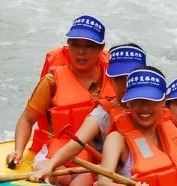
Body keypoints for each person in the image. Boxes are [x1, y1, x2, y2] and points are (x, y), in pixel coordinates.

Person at [26, 43, 146, 186]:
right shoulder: (102, 113)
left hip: (146, 176)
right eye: (118, 79)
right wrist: (50, 166)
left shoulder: (156, 108)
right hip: (119, 180)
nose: (125, 85)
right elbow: (75, 144)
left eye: (131, 78)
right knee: (81, 181)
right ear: (111, 80)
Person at [6, 15, 114, 171]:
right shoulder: (52, 81)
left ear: (101, 48)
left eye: (89, 46)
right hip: (60, 153)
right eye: (75, 45)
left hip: (102, 153)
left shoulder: (115, 78)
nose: (81, 52)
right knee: (55, 174)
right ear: (68, 46)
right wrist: (18, 151)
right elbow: (27, 119)